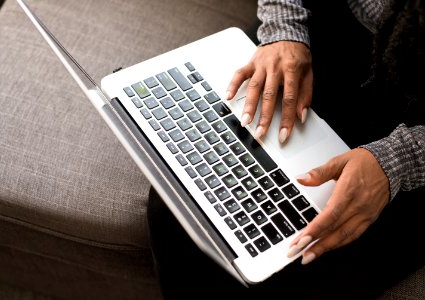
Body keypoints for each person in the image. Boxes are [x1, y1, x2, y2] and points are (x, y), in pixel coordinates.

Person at [147, 0, 425, 299]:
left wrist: (401, 159)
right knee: (181, 208)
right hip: (325, 27)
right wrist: (283, 27)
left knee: (300, 267)